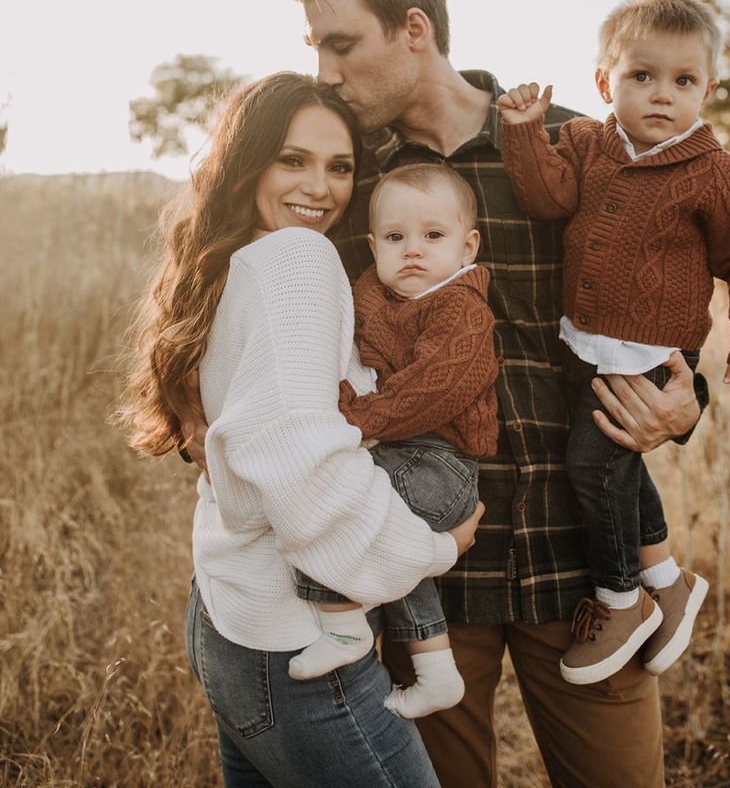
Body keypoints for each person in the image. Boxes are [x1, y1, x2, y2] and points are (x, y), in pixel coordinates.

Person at [276, 0, 708, 788]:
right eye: (315, 49)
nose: (325, 71)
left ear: (412, 29)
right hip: (424, 572)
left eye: (340, 43)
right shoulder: (350, 184)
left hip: (583, 570)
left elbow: (667, 281)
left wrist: (686, 403)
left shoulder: (572, 145)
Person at [121, 72, 484, 788]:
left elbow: (253, 443)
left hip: (230, 618)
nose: (321, 187)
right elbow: (302, 466)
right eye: (294, 160)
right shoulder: (299, 259)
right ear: (248, 160)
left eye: (340, 166)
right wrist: (429, 547)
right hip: (298, 642)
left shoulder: (234, 261)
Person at [498, 0, 730, 688]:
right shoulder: (585, 143)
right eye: (643, 76)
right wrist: (523, 132)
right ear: (605, 81)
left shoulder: (713, 172)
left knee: (593, 467)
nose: (662, 96)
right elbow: (547, 196)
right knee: (620, 464)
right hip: (585, 342)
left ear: (707, 91)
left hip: (653, 356)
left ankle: (621, 599)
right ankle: (670, 581)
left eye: (683, 82)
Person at [289, 162, 499, 721]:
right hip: (404, 453)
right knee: (397, 553)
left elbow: (433, 388)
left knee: (343, 498)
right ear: (373, 243)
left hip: (442, 466)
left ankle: (341, 620)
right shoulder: (371, 294)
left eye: (433, 236)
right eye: (395, 237)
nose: (412, 250)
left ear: (467, 246)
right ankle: (436, 671)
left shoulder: (463, 309)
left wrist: (358, 417)